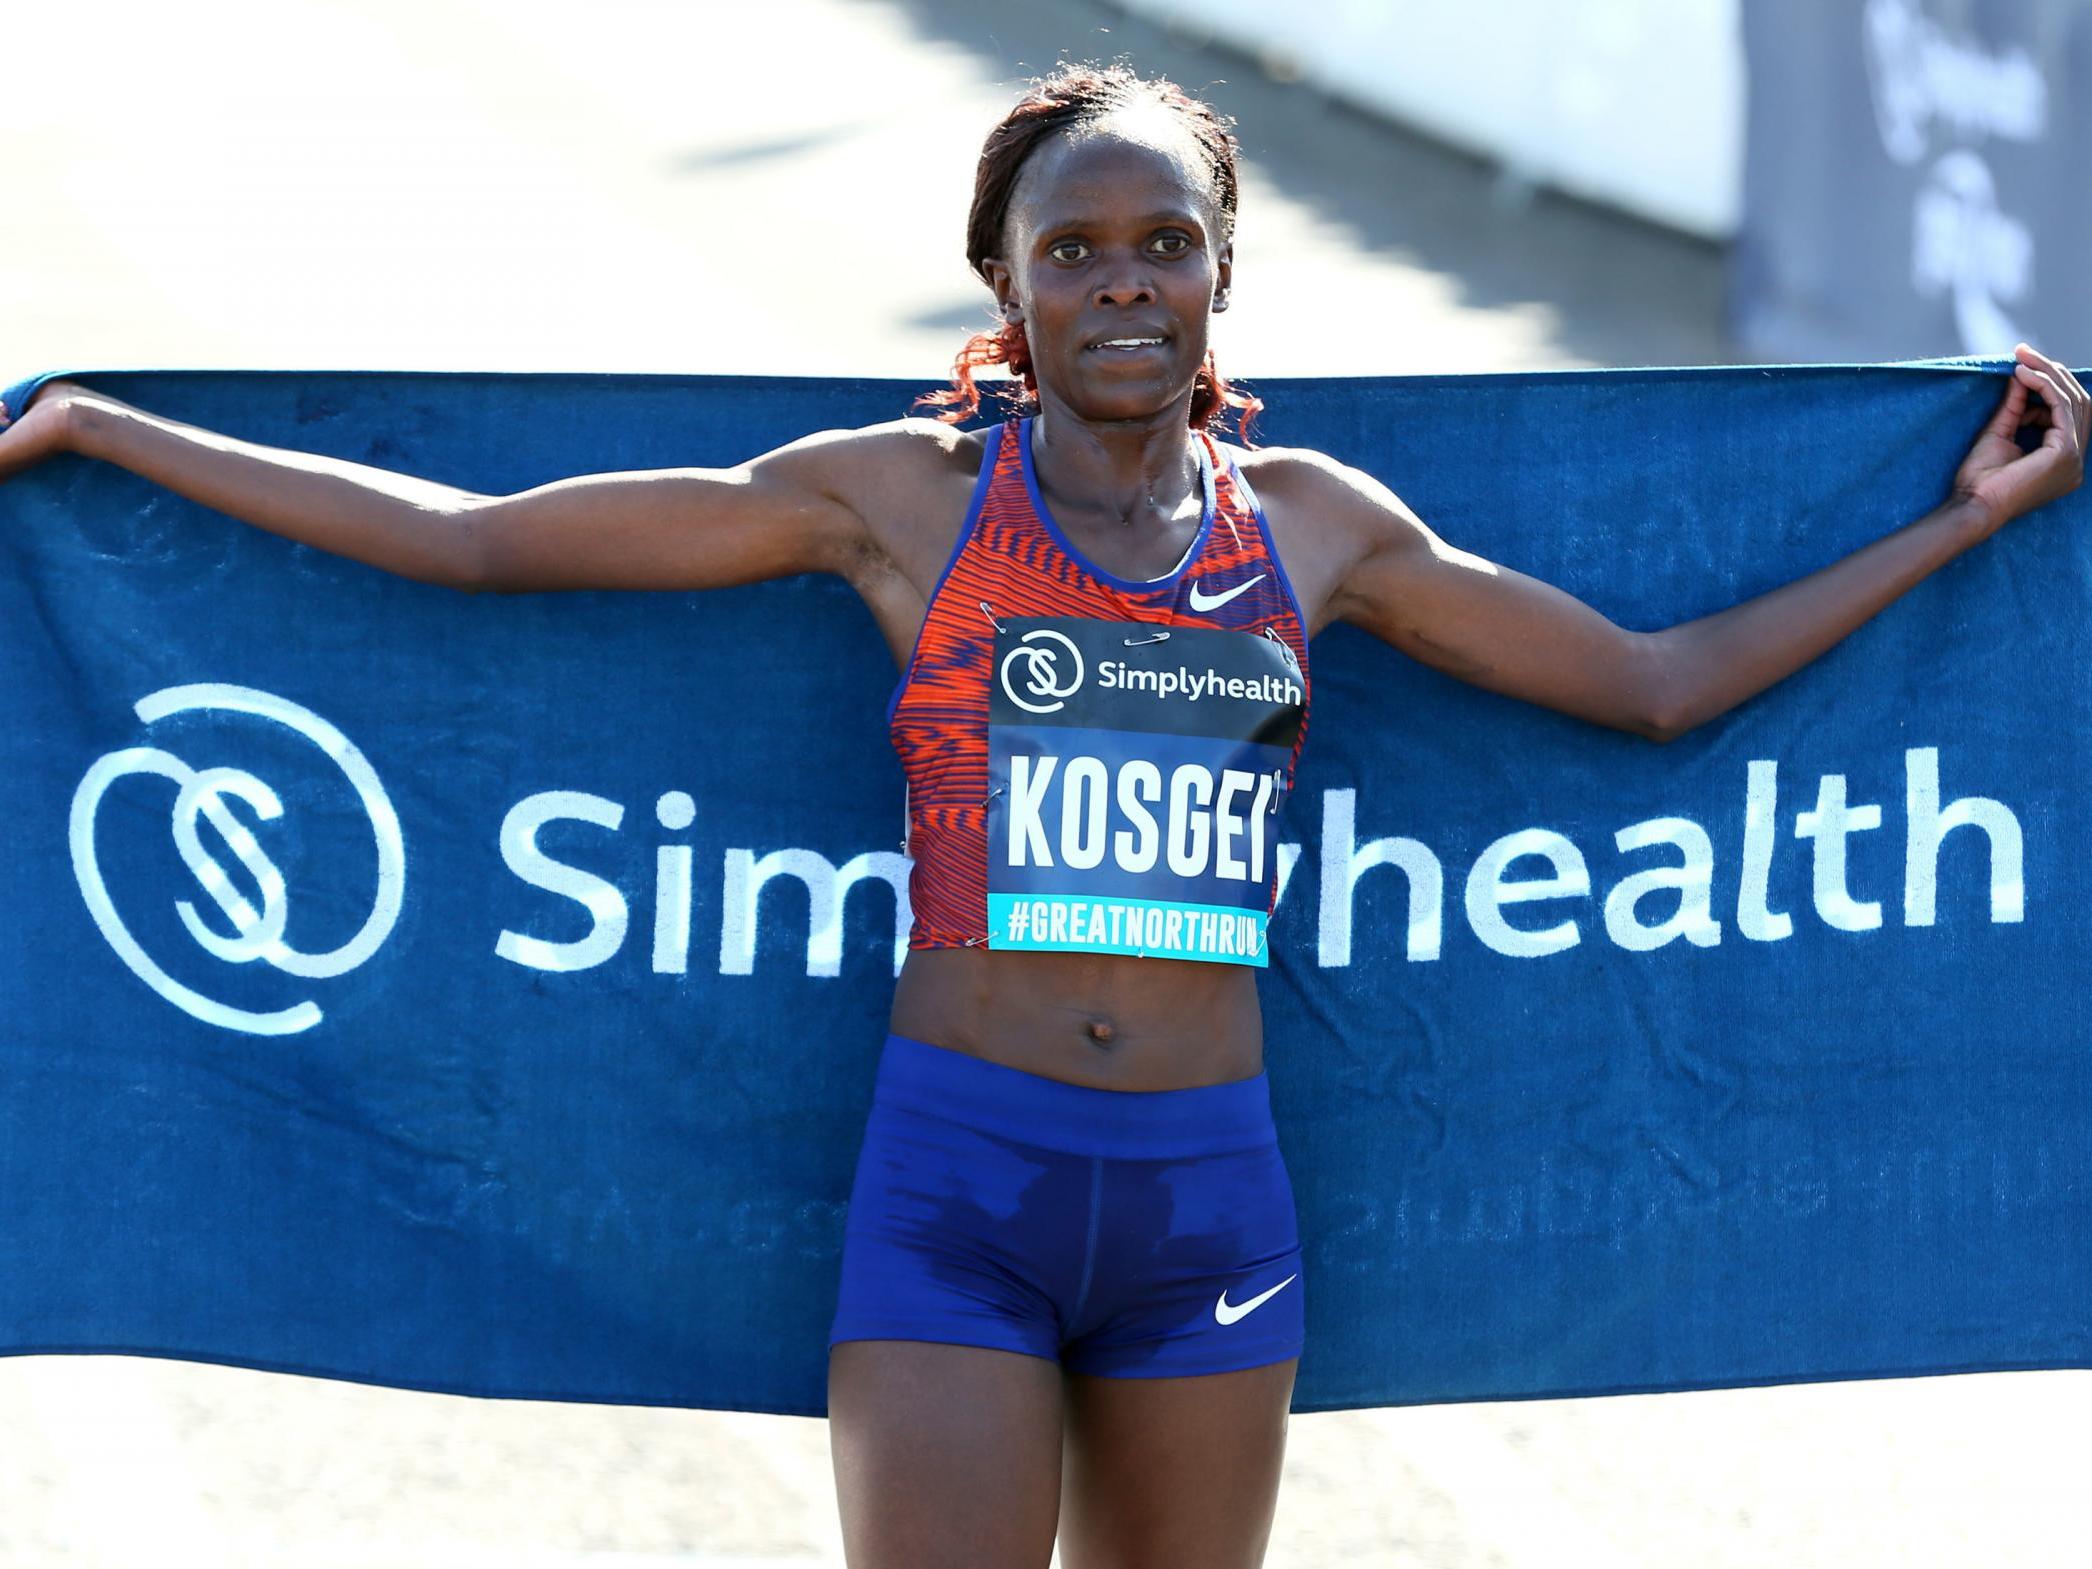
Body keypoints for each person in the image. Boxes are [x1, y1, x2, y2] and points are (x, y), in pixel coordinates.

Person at [1, 58, 2084, 1569]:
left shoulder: (1314, 528)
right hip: (958, 1191)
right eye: (1067, 248)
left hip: (1210, 1208)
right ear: (999, 283)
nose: (1118, 284)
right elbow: (476, 548)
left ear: (1217, 276)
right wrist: (108, 428)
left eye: (1159, 243)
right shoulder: (902, 503)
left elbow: (1646, 685)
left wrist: (1957, 530)